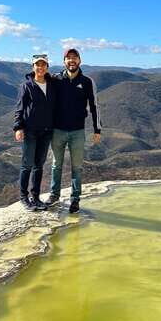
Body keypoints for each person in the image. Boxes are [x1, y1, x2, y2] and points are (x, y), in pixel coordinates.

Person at [46, 48, 101, 213]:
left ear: (79, 61)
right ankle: (54, 196)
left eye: (74, 58)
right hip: (57, 130)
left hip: (78, 131)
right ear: (64, 61)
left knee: (77, 167)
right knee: (56, 165)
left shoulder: (87, 82)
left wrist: (97, 129)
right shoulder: (55, 79)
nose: (71, 61)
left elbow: (94, 106)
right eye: (68, 58)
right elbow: (37, 82)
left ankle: (75, 200)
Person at [13, 53, 56, 211]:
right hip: (30, 130)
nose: (40, 67)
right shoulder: (26, 85)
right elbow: (20, 108)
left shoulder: (52, 84)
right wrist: (18, 127)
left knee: (39, 165)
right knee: (27, 165)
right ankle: (24, 198)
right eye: (37, 65)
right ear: (33, 67)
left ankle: (36, 197)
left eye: (43, 64)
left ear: (47, 67)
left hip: (46, 131)